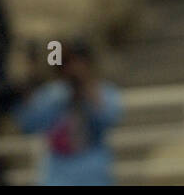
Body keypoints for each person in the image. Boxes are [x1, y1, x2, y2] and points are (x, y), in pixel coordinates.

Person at [15, 42, 122, 186]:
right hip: (57, 173)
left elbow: (109, 118)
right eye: (66, 63)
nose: (71, 69)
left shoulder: (104, 92)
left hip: (94, 171)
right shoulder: (52, 94)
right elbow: (28, 124)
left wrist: (86, 88)